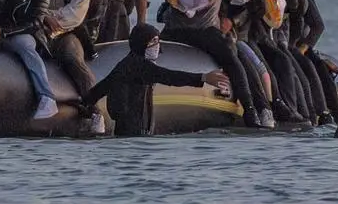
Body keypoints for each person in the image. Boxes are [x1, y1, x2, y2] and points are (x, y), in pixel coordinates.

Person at [159, 0, 262, 128]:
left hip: (205, 30)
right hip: (176, 29)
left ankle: (250, 110)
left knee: (231, 58)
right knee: (149, 48)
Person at [83, 24, 229, 136]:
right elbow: (168, 76)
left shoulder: (127, 63)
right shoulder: (137, 66)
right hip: (134, 130)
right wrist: (203, 77)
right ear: (142, 43)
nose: (157, 46)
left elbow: (103, 86)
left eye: (157, 41)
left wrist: (86, 102)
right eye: (153, 41)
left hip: (130, 129)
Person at [34, 0, 104, 134]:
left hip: (67, 34)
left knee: (72, 58)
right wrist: (44, 17)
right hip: (37, 32)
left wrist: (45, 15)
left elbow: (73, 18)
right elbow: (30, 8)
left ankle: (95, 111)